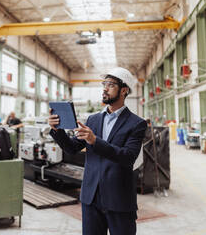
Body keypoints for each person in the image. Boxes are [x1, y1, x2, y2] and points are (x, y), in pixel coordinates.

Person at [48, 67, 147, 235]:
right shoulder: (93, 120)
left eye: (110, 84)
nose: (105, 88)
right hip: (91, 197)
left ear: (124, 90)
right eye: (104, 84)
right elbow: (72, 148)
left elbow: (128, 157)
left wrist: (95, 141)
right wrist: (57, 130)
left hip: (119, 199)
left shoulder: (136, 123)